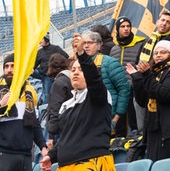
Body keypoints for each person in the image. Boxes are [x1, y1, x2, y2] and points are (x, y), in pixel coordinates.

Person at [40, 34, 115, 171]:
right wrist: (51, 156)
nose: (75, 73)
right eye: (73, 70)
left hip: (92, 162)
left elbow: (94, 79)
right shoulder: (66, 105)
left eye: (81, 70)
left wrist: (81, 54)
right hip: (66, 165)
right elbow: (67, 137)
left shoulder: (98, 95)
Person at [0, 53, 48, 171]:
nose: (9, 70)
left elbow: (35, 124)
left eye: (13, 66)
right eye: (6, 66)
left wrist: (42, 146)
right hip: (3, 155)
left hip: (25, 156)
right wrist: (0, 107)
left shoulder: (30, 91)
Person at [126, 40, 170, 162]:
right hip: (154, 132)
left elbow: (165, 94)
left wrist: (148, 75)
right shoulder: (154, 74)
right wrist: (137, 78)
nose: (158, 55)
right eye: (155, 53)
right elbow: (142, 101)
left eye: (163, 52)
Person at [80, 31, 130, 138]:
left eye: (90, 42)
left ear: (99, 45)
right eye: (83, 43)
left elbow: (124, 90)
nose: (86, 46)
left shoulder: (110, 63)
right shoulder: (78, 66)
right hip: (89, 121)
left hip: (110, 120)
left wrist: (116, 117)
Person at [135, 11, 170, 134]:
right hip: (142, 81)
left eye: (168, 22)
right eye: (162, 20)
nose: (164, 24)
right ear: (157, 22)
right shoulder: (147, 41)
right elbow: (138, 60)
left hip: (158, 82)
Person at [110, 16, 146, 136]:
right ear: (117, 29)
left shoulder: (140, 44)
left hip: (133, 88)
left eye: (128, 26)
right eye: (122, 26)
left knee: (133, 118)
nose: (126, 29)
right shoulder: (114, 49)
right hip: (117, 89)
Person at [45, 54, 73, 148]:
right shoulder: (71, 80)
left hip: (61, 131)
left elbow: (55, 109)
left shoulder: (59, 83)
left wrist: (51, 136)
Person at [33, 33, 69, 105]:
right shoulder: (39, 52)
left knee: (46, 94)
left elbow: (66, 56)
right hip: (42, 73)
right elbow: (34, 65)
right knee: (27, 72)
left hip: (50, 76)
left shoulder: (56, 48)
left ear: (46, 39)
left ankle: (45, 109)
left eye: (41, 39)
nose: (40, 41)